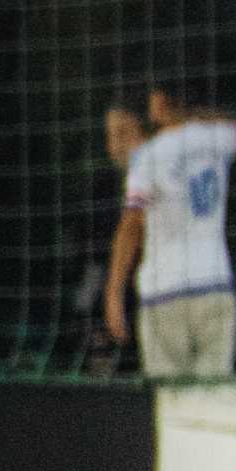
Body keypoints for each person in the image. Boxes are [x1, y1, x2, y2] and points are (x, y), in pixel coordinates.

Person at [107, 81, 236, 379]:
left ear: (159, 102)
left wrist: (114, 292)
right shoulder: (218, 138)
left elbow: (131, 224)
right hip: (215, 283)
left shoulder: (148, 156)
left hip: (165, 291)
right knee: (213, 399)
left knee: (170, 403)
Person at [78, 100, 148, 375]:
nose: (113, 146)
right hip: (114, 307)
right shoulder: (102, 192)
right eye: (110, 136)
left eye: (122, 133)